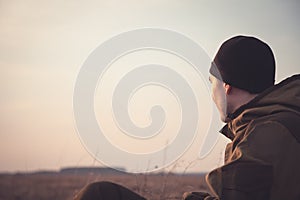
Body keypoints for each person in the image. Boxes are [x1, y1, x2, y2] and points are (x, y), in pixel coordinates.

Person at [74, 35, 300, 200]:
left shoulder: (267, 134)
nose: (211, 92)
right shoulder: (273, 125)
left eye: (212, 83)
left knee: (98, 194)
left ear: (227, 87)